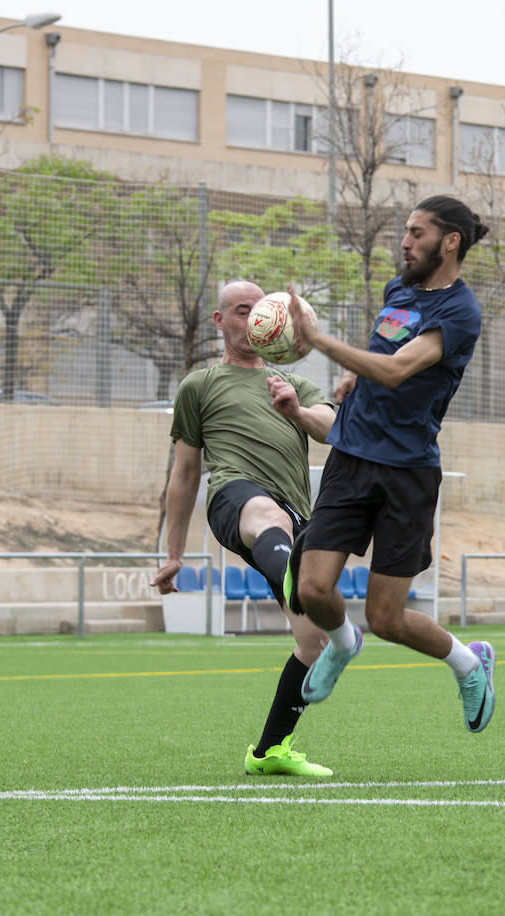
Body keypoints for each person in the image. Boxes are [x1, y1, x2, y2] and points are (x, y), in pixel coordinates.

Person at [281, 195, 497, 734]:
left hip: (407, 473)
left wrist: (317, 341)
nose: (405, 242)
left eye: (418, 233)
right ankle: (341, 642)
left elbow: (399, 369)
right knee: (310, 591)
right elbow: (384, 348)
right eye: (405, 231)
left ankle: (469, 665)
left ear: (451, 242)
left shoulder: (460, 311)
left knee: (387, 618)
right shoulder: (397, 290)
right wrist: (354, 378)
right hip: (352, 457)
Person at [152, 279, 338, 777]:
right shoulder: (200, 385)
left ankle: (270, 751)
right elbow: (185, 474)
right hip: (235, 499)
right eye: (241, 310)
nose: (253, 319)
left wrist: (295, 409)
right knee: (266, 515)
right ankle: (296, 577)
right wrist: (174, 554)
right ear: (220, 321)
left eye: (261, 309)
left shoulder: (292, 384)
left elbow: (331, 428)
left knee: (314, 640)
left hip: (295, 516)